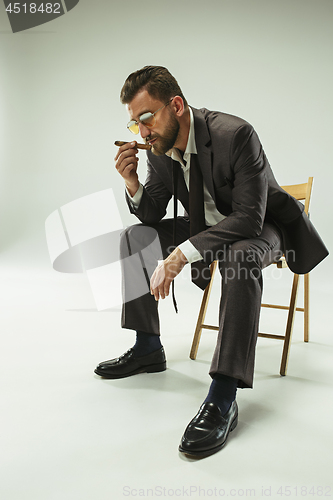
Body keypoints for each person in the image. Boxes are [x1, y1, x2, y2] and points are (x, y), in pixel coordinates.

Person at [94, 66, 328, 458]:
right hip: (205, 226)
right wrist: (133, 185)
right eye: (135, 124)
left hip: (262, 227)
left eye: (147, 119)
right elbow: (151, 215)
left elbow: (249, 218)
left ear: (177, 106)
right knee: (136, 237)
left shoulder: (235, 135)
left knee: (239, 254)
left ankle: (224, 395)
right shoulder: (159, 151)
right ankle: (148, 346)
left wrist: (181, 254)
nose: (143, 132)